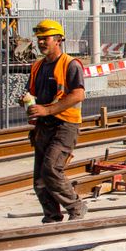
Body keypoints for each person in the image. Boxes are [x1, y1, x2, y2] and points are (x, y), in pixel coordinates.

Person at [25, 19, 88, 223]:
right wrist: (28, 104)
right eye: (39, 39)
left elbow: (78, 95)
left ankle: (76, 207)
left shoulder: (70, 64)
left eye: (46, 38)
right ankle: (51, 218)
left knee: (51, 168)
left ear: (58, 40)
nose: (41, 42)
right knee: (40, 180)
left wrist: (47, 109)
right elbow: (32, 94)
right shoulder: (37, 67)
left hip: (65, 126)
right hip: (44, 127)